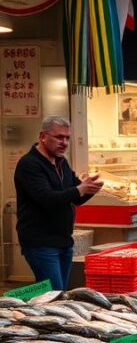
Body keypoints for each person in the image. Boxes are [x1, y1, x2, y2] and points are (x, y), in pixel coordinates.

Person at [15, 115, 102, 290]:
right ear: (43, 136)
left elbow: (75, 198)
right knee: (54, 292)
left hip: (63, 240)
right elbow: (47, 198)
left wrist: (91, 188)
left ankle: (19, 304)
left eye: (67, 138)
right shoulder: (29, 164)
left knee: (53, 292)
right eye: (59, 137)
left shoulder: (62, 163)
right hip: (40, 242)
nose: (64, 143)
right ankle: (11, 302)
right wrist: (80, 188)